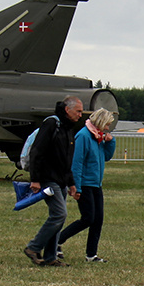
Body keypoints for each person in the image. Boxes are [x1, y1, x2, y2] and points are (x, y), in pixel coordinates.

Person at [22, 97, 83, 266]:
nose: (80, 115)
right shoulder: (51, 124)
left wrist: (71, 183)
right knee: (59, 214)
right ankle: (33, 247)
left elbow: (66, 160)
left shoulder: (68, 128)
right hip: (48, 179)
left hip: (61, 180)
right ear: (67, 110)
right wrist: (35, 179)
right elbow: (37, 152)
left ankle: (50, 258)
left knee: (59, 217)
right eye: (78, 111)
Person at [58, 108, 117, 263]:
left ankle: (91, 255)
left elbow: (106, 157)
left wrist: (111, 142)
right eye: (107, 125)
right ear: (101, 122)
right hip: (84, 183)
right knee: (88, 218)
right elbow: (76, 163)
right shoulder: (84, 136)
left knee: (98, 220)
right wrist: (76, 186)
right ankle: (57, 240)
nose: (107, 128)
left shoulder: (98, 137)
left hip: (96, 184)